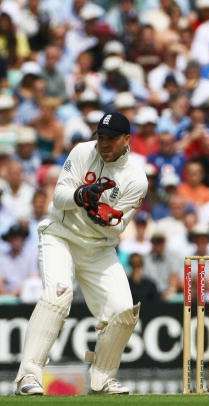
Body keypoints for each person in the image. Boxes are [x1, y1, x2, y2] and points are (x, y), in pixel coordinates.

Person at [15, 112, 148, 395]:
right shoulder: (81, 152)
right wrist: (82, 195)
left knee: (123, 312)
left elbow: (117, 228)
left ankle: (102, 378)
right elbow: (59, 198)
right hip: (60, 236)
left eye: (112, 138)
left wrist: (104, 215)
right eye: (101, 136)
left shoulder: (136, 179)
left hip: (98, 247)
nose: (104, 143)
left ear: (127, 139)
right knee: (58, 294)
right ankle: (28, 376)